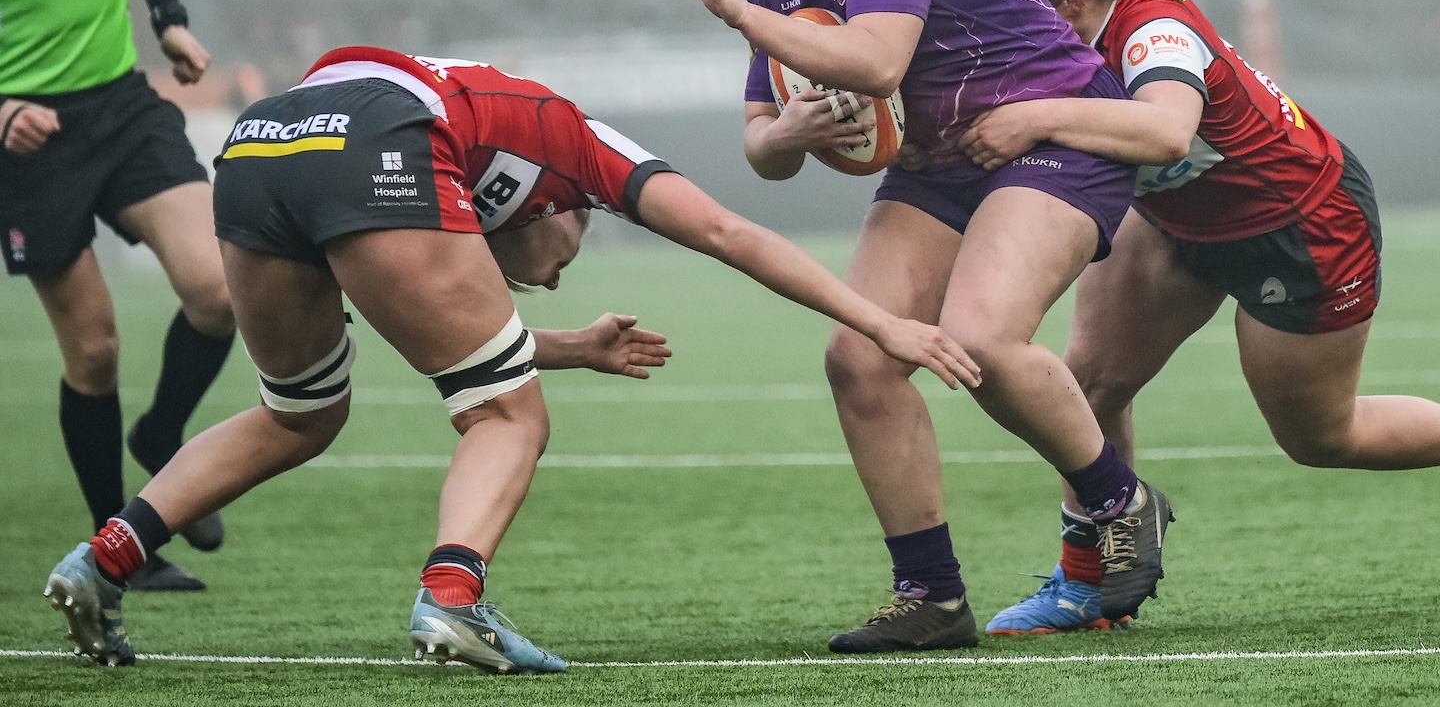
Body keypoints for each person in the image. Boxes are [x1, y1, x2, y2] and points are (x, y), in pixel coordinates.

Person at [44, 45, 981, 672]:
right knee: (507, 414)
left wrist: (569, 347)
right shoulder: (577, 143)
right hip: (378, 131)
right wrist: (882, 323)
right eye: (567, 258)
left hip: (262, 142)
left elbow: (430, 330)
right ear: (556, 207)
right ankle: (452, 598)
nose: (557, 277)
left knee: (298, 414)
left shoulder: (475, 159)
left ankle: (103, 559)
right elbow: (730, 232)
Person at [665, 0, 1173, 653]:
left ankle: (1119, 502)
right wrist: (787, 131)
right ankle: (932, 597)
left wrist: (742, 17)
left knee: (982, 340)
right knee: (859, 357)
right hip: (940, 164)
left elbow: (876, 63)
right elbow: (761, 150)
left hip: (1052, 135)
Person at [970, 0, 1440, 634]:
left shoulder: (1153, 29)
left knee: (1322, 438)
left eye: (1020, 4)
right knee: (1086, 387)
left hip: (1302, 226)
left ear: (1072, 1)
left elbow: (1165, 131)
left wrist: (1033, 117)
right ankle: (1089, 585)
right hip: (1176, 218)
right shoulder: (1067, 34)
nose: (1007, 21)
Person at [1, 0, 234, 590]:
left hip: (121, 103)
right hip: (29, 136)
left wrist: (168, 18)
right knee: (94, 353)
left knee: (221, 290)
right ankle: (119, 551)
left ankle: (162, 433)